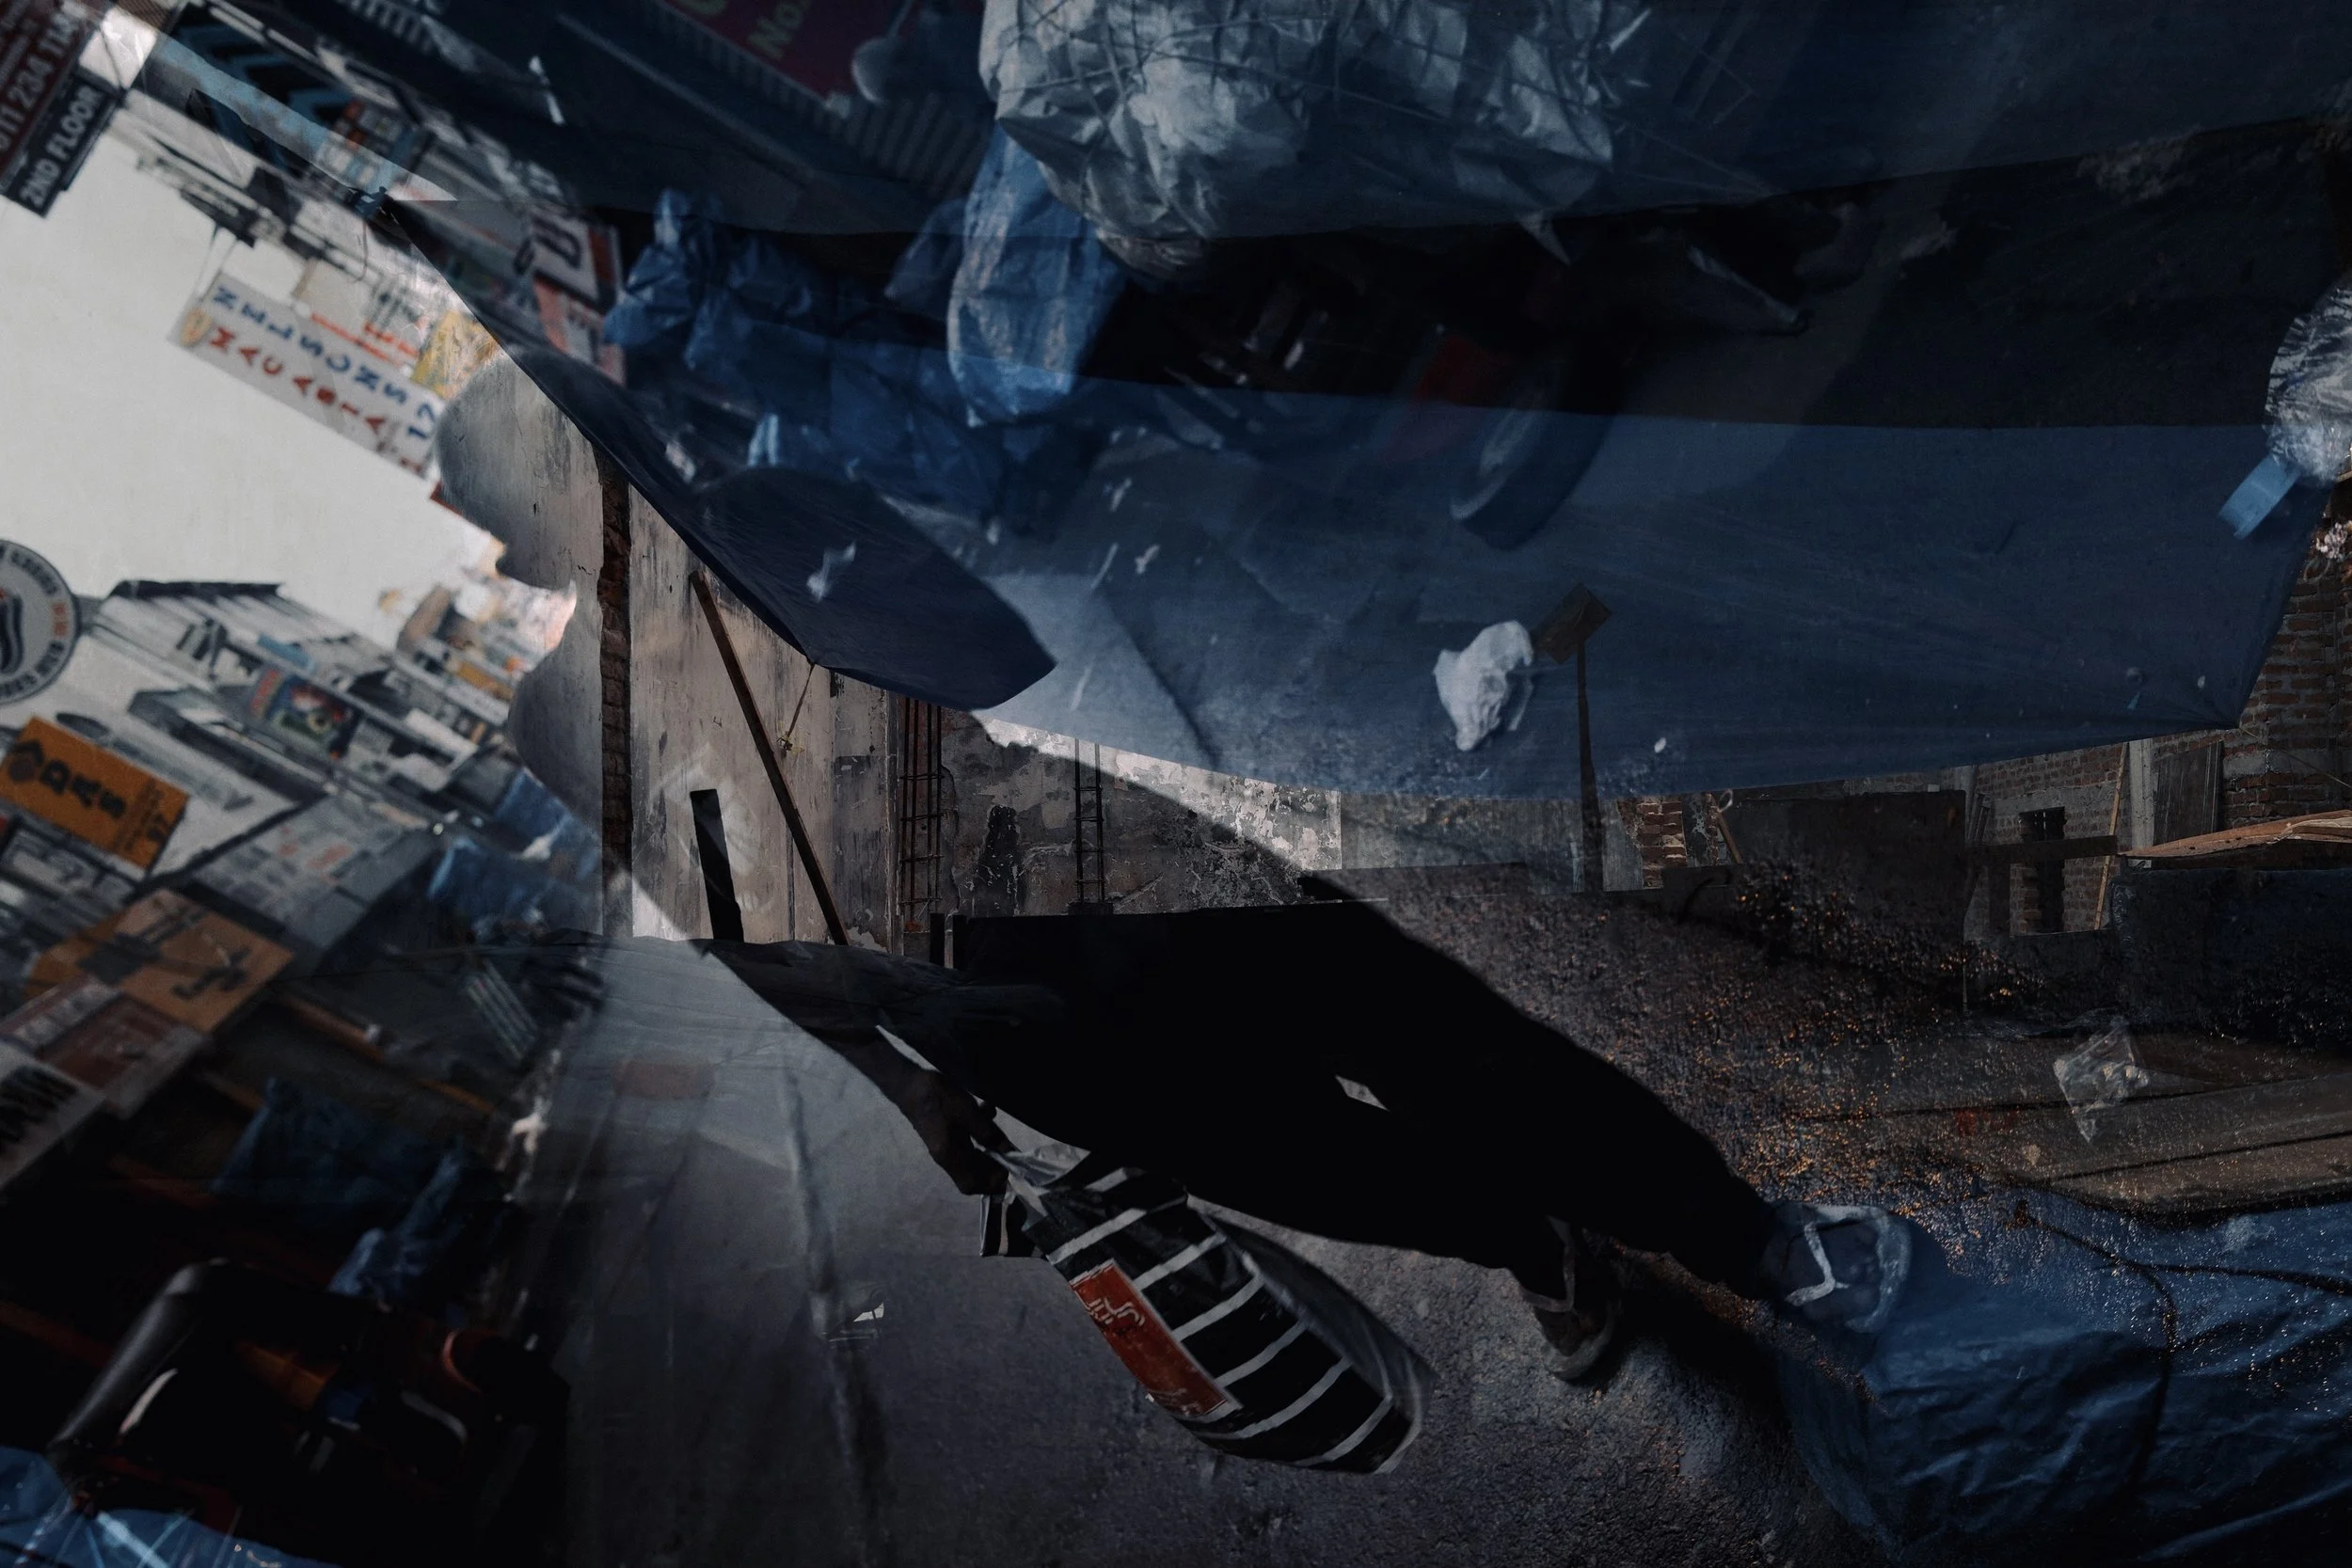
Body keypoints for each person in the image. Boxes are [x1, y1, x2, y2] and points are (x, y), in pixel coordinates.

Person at [707, 896, 1910, 1381]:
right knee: (1315, 1159)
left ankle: (1742, 1237)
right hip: (988, 1022)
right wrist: (898, 1077)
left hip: (1035, 897)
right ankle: (1537, 1237)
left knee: (1408, 1026)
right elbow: (733, 978)